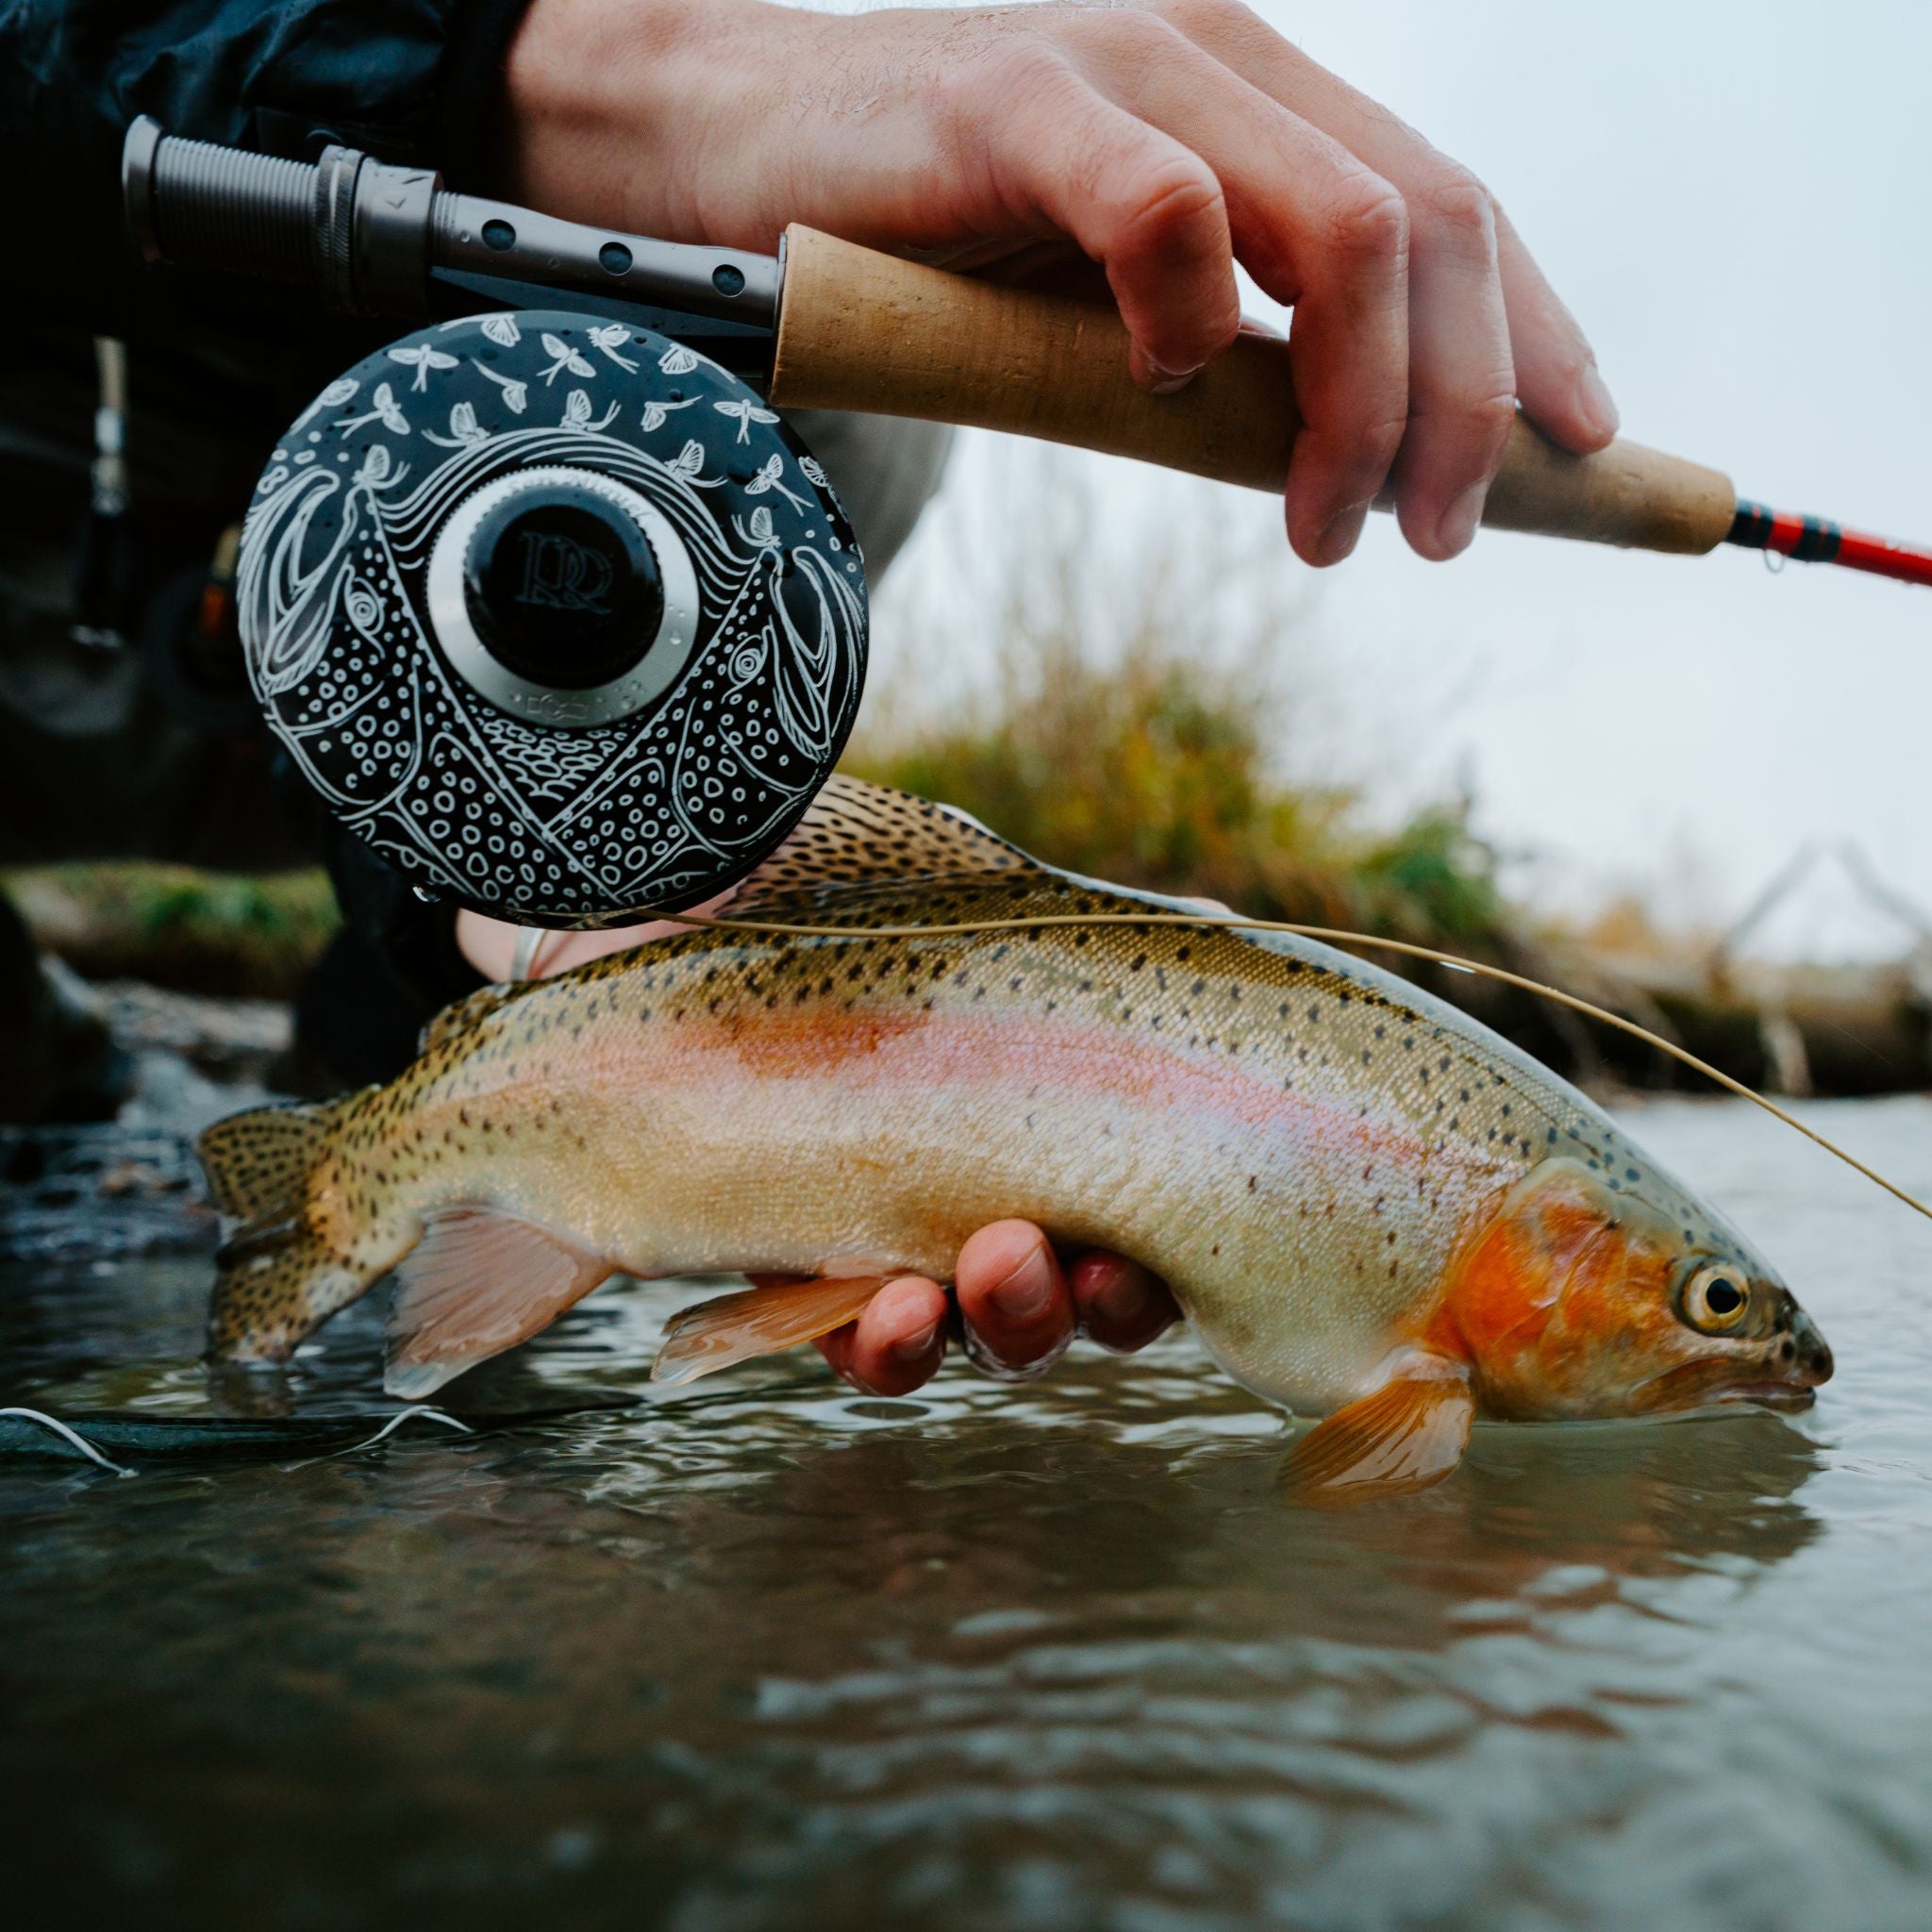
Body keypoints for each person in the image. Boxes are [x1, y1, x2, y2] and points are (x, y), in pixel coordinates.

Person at [0, 0, 1618, 1395]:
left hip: (357, 760)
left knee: (827, 402)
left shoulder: (731, 422)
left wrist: (565, 909)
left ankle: (386, 1062)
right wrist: (566, 84)